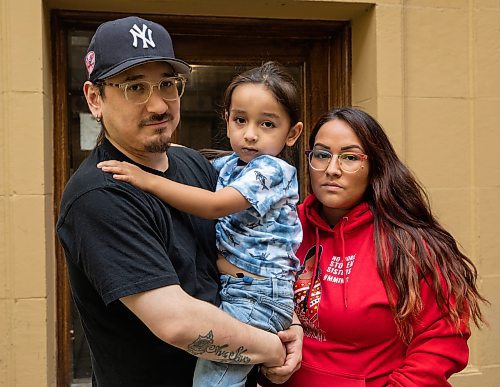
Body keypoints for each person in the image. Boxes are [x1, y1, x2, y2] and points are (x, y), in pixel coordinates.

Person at [56, 16, 302, 387]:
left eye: (167, 84)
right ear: (95, 99)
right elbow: (178, 323)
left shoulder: (193, 165)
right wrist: (272, 348)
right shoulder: (100, 195)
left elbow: (248, 247)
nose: (158, 105)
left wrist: (289, 323)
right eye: (134, 87)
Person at [261, 107, 487, 386]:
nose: (332, 169)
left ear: (374, 166)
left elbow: (441, 339)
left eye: (350, 157)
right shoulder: (284, 228)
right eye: (321, 155)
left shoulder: (410, 245)